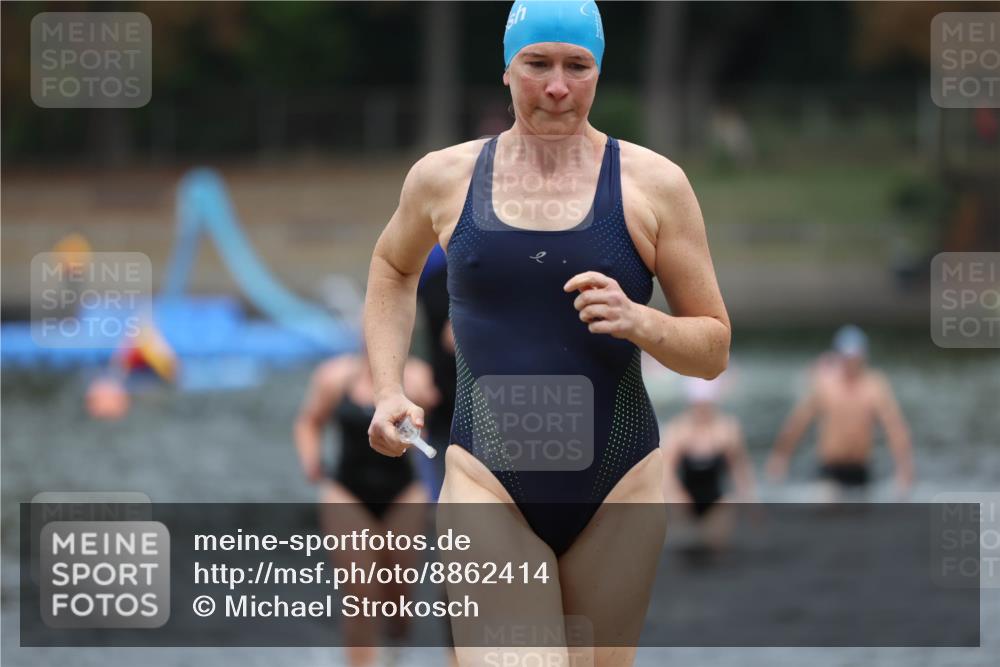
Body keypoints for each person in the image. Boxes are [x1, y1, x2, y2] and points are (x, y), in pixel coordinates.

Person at [364, 2, 730, 665]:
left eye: (577, 66)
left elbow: (713, 347)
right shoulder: (444, 179)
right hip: (487, 482)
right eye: (537, 64)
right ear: (507, 68)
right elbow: (392, 268)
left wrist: (641, 320)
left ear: (599, 71)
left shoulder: (654, 186)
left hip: (619, 485)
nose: (557, 85)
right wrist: (388, 386)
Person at [294, 352, 438, 667]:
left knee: (398, 598)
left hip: (404, 492)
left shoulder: (416, 377)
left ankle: (395, 653)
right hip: (347, 492)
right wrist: (311, 459)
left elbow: (437, 425)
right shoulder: (334, 376)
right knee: (360, 593)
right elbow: (310, 420)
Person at [766, 325, 915, 501]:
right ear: (838, 357)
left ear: (863, 357)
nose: (850, 363)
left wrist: (905, 470)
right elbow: (798, 423)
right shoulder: (825, 385)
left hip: (861, 469)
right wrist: (780, 457)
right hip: (830, 469)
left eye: (855, 357)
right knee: (828, 510)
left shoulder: (874, 387)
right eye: (846, 358)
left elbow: (895, 429)